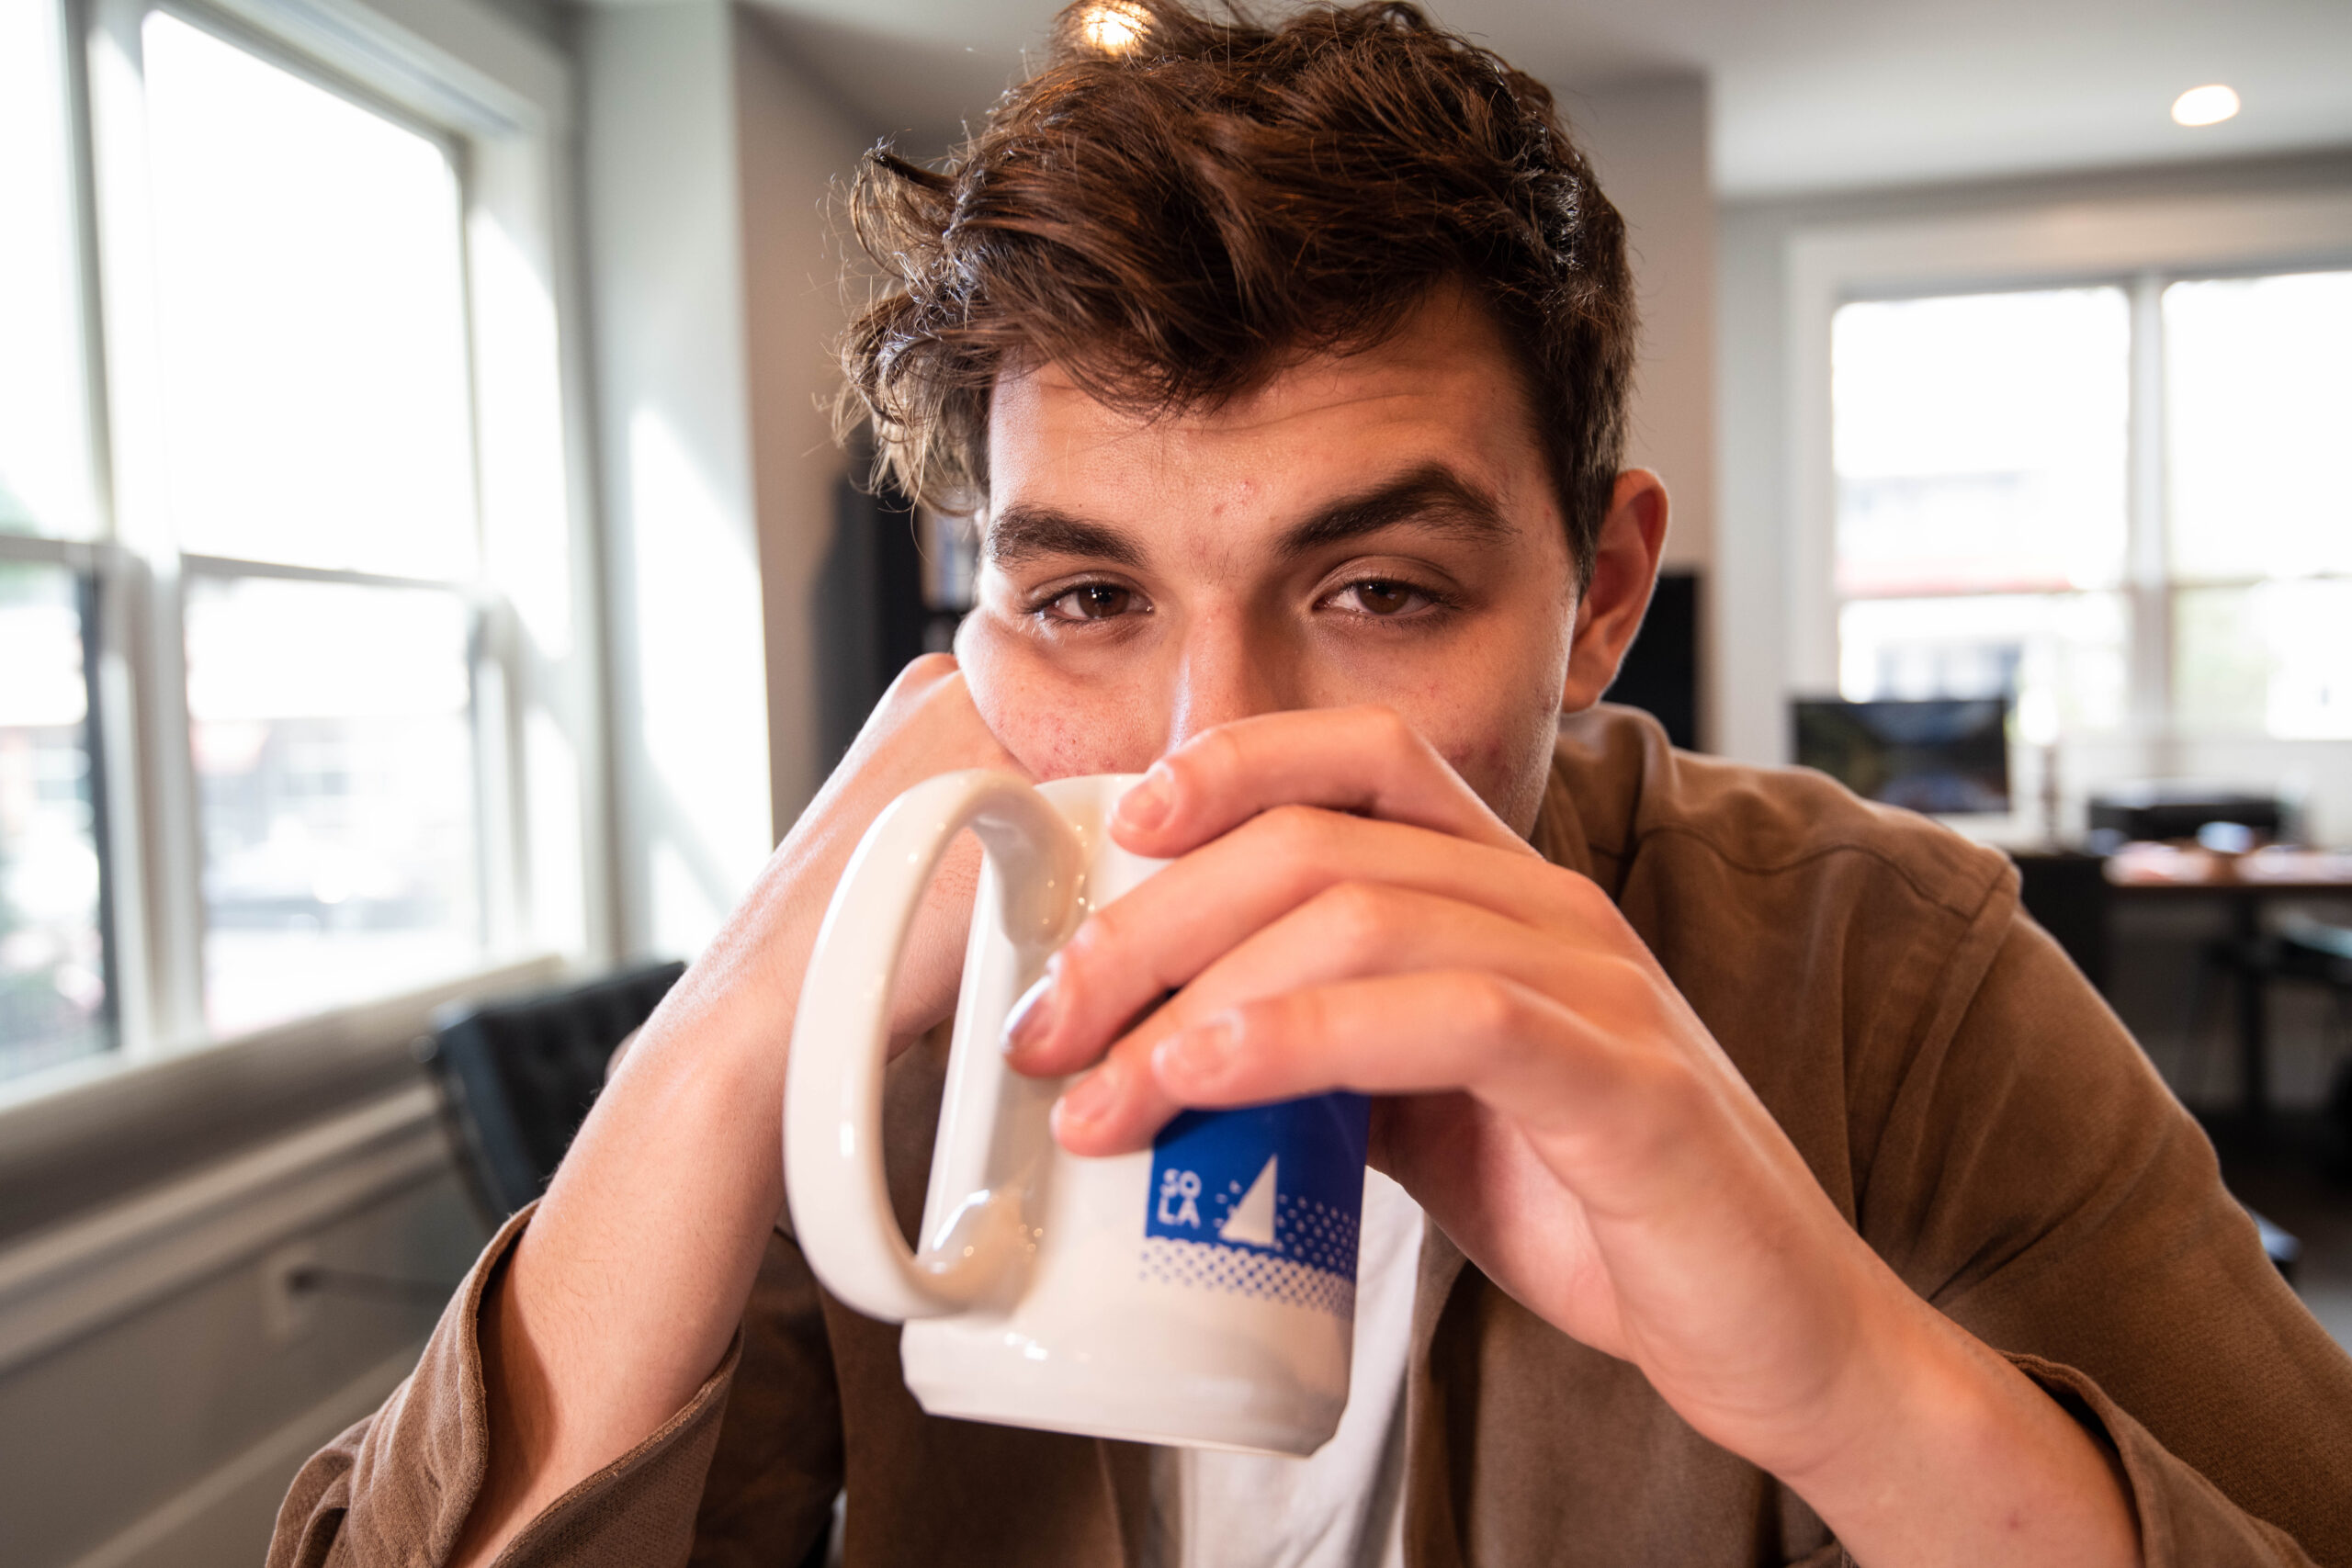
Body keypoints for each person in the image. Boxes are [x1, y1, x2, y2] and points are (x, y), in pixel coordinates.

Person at [269, 4, 2352, 1565]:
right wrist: (727, 1031)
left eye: (1377, 589)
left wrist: (1841, 1376)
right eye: (1087, 596)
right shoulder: (914, 1000)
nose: (1212, 761)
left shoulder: (1881, 973)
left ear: (1599, 599)